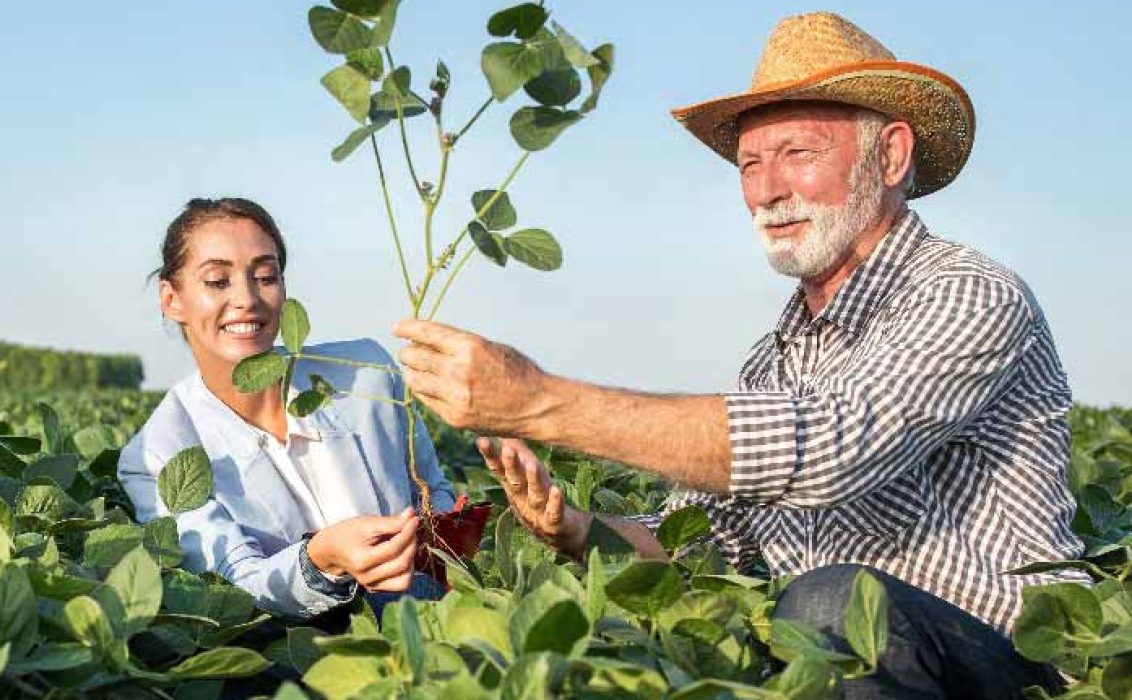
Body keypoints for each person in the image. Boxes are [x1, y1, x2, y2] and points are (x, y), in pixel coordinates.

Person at [393, 13, 1074, 697]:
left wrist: (537, 401)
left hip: (1008, 663)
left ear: (891, 156)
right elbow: (705, 546)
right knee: (750, 632)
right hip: (834, 668)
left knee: (827, 604)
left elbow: (833, 444)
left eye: (797, 154)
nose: (767, 190)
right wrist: (574, 528)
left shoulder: (968, 293)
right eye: (751, 163)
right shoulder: (770, 362)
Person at [117, 197, 467, 622]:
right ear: (172, 299)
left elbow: (433, 492)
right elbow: (235, 583)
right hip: (289, 659)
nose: (246, 299)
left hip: (425, 619)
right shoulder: (157, 454)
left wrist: (452, 531)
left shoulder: (366, 372)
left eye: (265, 276)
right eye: (217, 281)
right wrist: (320, 560)